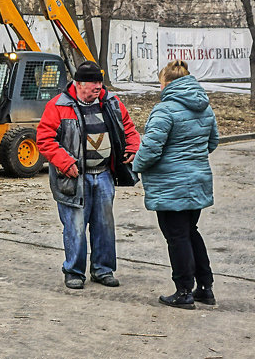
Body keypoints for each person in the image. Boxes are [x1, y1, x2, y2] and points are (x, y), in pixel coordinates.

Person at [36, 60, 141, 289]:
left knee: (104, 225)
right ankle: (73, 271)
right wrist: (65, 163)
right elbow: (45, 140)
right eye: (92, 83)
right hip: (73, 179)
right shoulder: (58, 106)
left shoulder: (111, 102)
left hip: (103, 175)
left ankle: (103, 270)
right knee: (75, 226)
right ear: (78, 84)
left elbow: (128, 127)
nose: (97, 87)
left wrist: (133, 147)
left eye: (99, 82)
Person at [132, 59, 219, 309]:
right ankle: (205, 288)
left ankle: (183, 292)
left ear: (167, 82)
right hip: (197, 180)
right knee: (191, 232)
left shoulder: (165, 109)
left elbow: (150, 149)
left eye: (160, 83)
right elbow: (212, 143)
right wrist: (192, 157)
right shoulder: (204, 107)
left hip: (171, 184)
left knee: (177, 237)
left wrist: (135, 166)